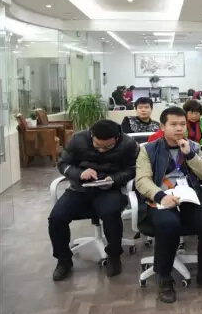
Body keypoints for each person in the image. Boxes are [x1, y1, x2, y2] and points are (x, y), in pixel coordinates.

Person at [135, 106, 202, 303]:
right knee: (169, 224)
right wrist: (160, 196)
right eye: (173, 124)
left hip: (188, 199)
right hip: (160, 199)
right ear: (162, 127)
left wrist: (190, 155)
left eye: (182, 124)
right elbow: (142, 180)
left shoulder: (192, 146)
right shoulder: (148, 150)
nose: (179, 128)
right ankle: (164, 277)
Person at [49, 120, 138, 281]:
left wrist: (115, 179)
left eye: (107, 147)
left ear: (117, 138)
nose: (101, 150)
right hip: (79, 189)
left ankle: (114, 256)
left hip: (109, 189)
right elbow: (63, 164)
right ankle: (63, 260)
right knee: (56, 218)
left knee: (111, 213)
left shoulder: (128, 144)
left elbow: (133, 169)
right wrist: (79, 174)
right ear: (91, 135)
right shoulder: (78, 139)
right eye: (98, 146)